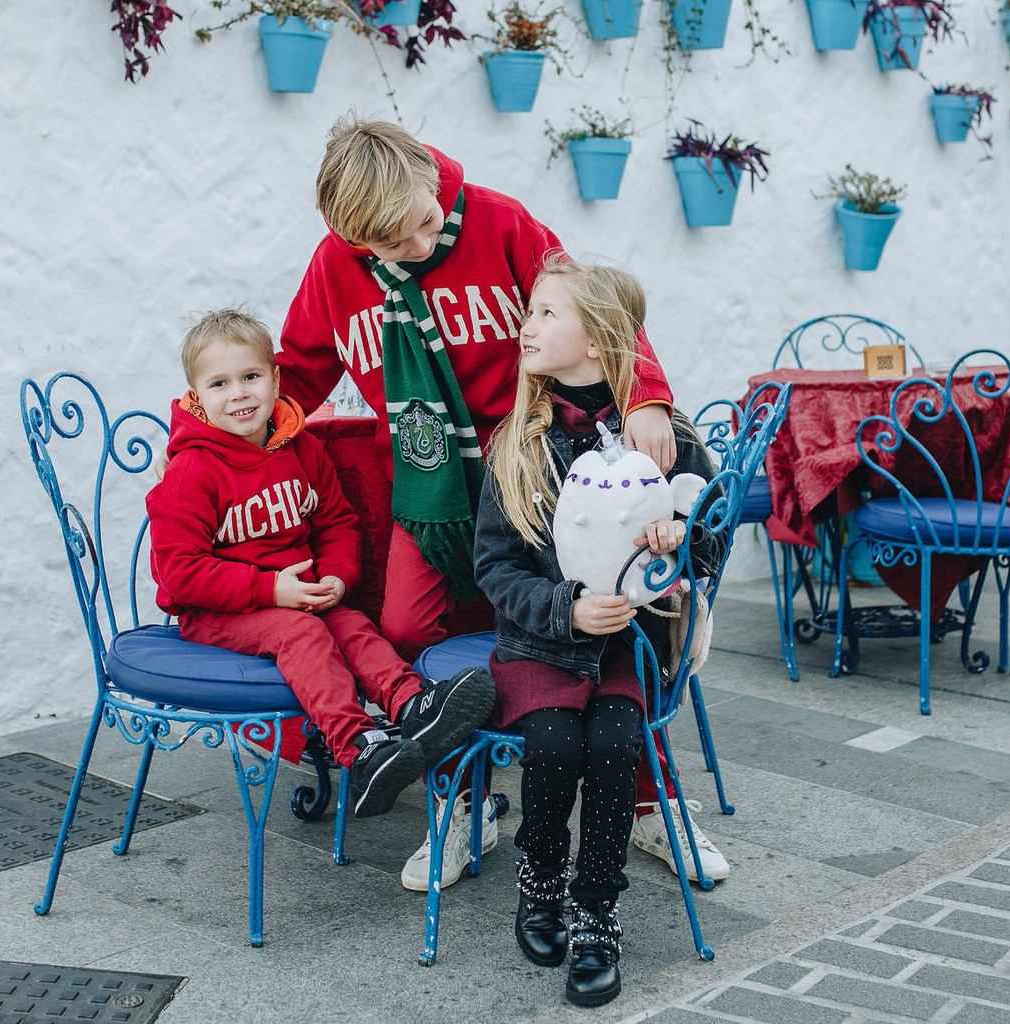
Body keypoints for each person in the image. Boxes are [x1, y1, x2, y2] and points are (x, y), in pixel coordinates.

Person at [272, 116, 728, 890]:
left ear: (430, 175)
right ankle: (468, 797)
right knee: (410, 628)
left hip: (538, 470)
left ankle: (650, 803)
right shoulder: (334, 268)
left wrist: (647, 396)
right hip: (431, 486)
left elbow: (597, 312)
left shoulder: (500, 221)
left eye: (422, 224)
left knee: (615, 622)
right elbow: (300, 371)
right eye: (390, 245)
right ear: (350, 237)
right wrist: (220, 425)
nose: (417, 247)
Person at [474, 254, 722, 1008]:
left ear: (600, 337)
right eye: (531, 311)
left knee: (615, 745)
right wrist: (565, 608)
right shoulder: (517, 441)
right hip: (541, 644)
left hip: (628, 647)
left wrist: (680, 539)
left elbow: (709, 532)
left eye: (548, 313)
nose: (528, 325)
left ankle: (596, 909)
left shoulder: (661, 437)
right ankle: (540, 874)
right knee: (552, 746)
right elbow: (494, 566)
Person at [146, 307, 494, 818]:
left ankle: (414, 704)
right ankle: (359, 748)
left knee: (352, 624)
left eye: (250, 377)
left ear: (276, 378)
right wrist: (268, 590)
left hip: (301, 596)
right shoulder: (192, 470)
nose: (239, 393)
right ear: (196, 398)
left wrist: (337, 575)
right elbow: (179, 571)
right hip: (219, 612)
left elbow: (337, 523)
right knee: (302, 635)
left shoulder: (303, 449)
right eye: (220, 384)